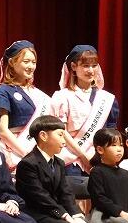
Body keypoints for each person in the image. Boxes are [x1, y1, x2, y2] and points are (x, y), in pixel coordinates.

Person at [51, 45, 119, 176]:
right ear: (73, 66)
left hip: (99, 160)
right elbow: (61, 131)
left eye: (94, 66)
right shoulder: (62, 96)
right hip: (69, 161)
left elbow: (111, 133)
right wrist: (83, 156)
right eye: (86, 66)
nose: (91, 70)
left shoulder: (106, 98)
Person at [0, 40, 53, 174]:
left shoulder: (39, 94)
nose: (31, 66)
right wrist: (28, 155)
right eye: (26, 62)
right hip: (15, 150)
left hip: (39, 147)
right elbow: (3, 131)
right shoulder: (3, 90)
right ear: (12, 62)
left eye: (33, 62)